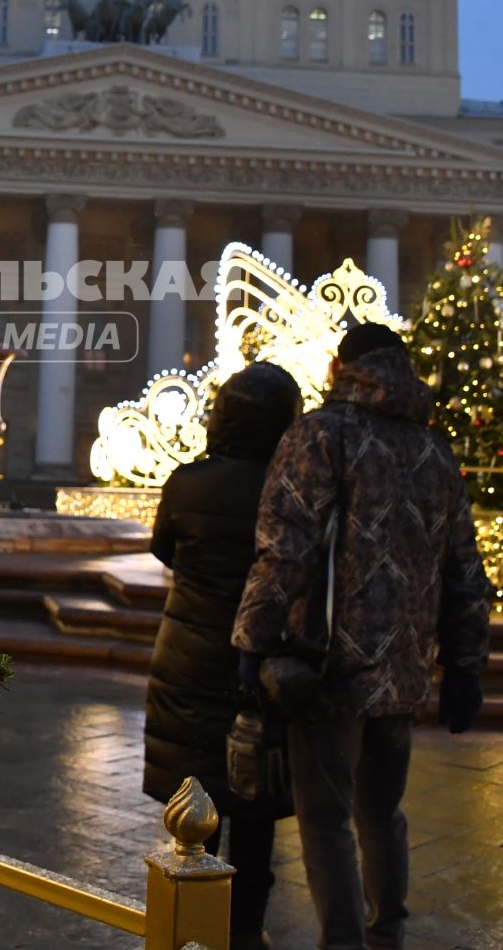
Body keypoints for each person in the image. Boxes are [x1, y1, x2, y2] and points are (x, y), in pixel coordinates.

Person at [234, 322, 493, 950]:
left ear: (342, 367)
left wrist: (251, 640)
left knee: (325, 818)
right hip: (403, 671)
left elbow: (282, 551)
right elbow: (465, 569)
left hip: (326, 668)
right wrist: (465, 665)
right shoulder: (435, 451)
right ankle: (387, 936)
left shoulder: (321, 436)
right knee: (381, 811)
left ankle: (345, 943)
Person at [144, 361, 302, 950]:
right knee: (256, 818)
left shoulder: (188, 481)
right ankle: (244, 932)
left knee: (193, 809)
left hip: (187, 658)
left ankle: (190, 929)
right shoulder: (290, 489)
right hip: (258, 665)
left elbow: (165, 548)